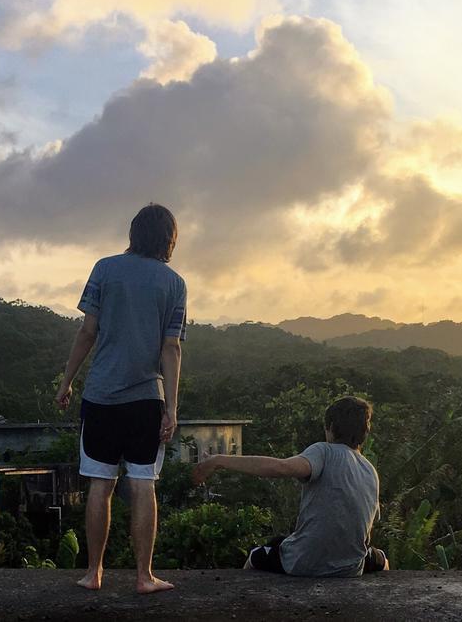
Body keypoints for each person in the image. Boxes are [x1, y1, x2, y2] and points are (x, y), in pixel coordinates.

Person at [54, 203, 187, 594]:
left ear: (133, 233)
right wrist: (172, 408)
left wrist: (66, 382)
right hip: (147, 400)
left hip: (101, 397)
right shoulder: (175, 283)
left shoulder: (104, 269)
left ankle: (94, 572)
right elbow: (172, 348)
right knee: (144, 483)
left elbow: (86, 332)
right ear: (169, 240)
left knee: (100, 484)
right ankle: (144, 577)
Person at [191, 395, 388, 577]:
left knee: (257, 555)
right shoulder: (371, 471)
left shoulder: (323, 451)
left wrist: (218, 460)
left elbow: (282, 467)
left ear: (330, 427)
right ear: (364, 433)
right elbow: (364, 529)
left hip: (304, 563)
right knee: (382, 560)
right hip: (352, 568)